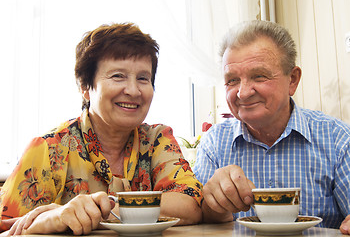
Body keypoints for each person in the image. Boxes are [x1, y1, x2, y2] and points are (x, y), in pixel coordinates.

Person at [0, 23, 203, 235]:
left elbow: (190, 203)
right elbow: (6, 230)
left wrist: (95, 211)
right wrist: (55, 218)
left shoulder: (157, 139)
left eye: (143, 78)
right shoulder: (48, 149)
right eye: (118, 76)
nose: (134, 91)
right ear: (85, 87)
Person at [193, 20, 350, 236]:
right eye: (232, 80)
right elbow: (201, 219)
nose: (242, 93)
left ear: (292, 80)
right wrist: (214, 205)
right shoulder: (214, 143)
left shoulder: (340, 140)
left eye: (259, 76)